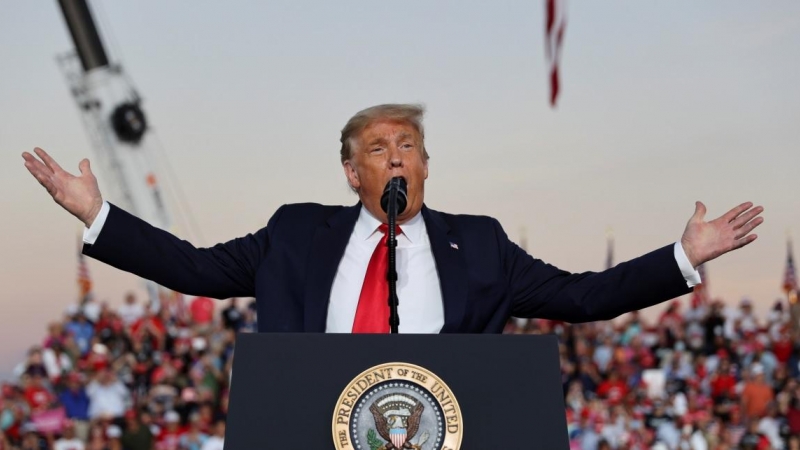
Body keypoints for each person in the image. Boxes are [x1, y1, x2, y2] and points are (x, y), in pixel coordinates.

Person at [22, 104, 764, 333]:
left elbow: (581, 297)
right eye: (379, 148)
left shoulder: (479, 243)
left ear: (427, 165)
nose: (397, 155)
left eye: (409, 144)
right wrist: (101, 215)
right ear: (353, 173)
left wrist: (681, 256)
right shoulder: (293, 233)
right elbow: (193, 268)